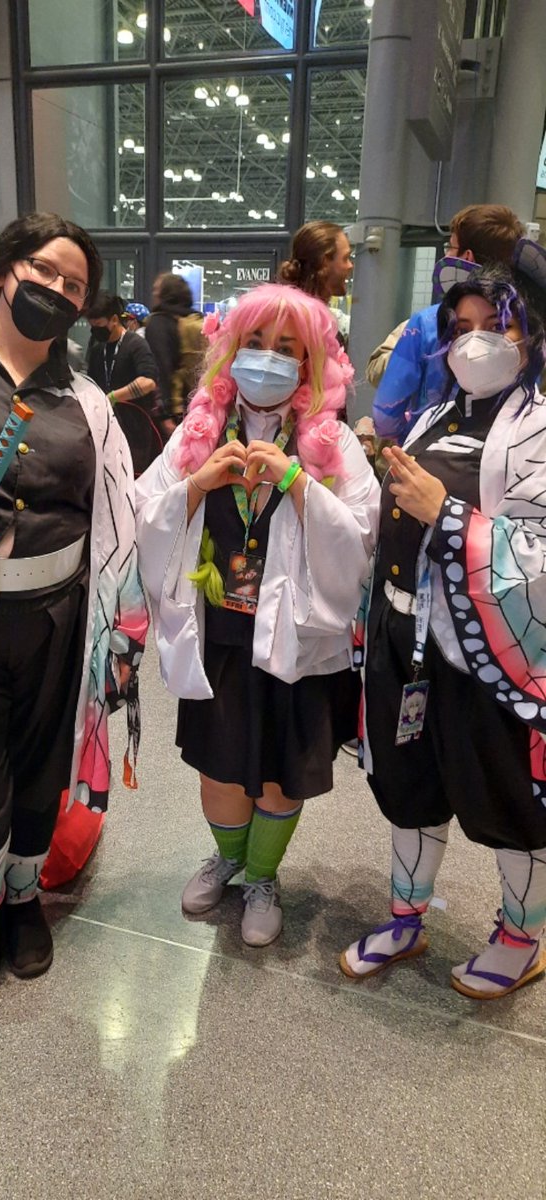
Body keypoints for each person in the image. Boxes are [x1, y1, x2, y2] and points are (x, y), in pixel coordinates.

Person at [136, 283, 379, 946]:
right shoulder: (199, 435)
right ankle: (229, 858)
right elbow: (144, 514)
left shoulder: (332, 443)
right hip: (219, 636)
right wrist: (196, 485)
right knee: (219, 768)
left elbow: (362, 538)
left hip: (297, 643)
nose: (268, 358)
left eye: (286, 348)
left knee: (277, 774)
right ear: (231, 349)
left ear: (309, 362)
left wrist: (298, 484)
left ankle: (264, 877)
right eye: (255, 343)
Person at [0, 212, 149, 984]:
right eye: (43, 271)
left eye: (74, 283)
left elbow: (122, 511)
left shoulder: (88, 401)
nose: (56, 289)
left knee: (41, 770)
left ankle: (24, 898)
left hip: (58, 617)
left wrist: (123, 632)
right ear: (4, 270)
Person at [340, 252, 546, 999]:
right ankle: (406, 917)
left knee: (505, 796)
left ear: (531, 335)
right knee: (409, 785)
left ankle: (521, 938)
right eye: (462, 327)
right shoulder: (435, 414)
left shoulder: (539, 429)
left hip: (487, 654)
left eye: (496, 326)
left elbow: (541, 555)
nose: (476, 341)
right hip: (404, 637)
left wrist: (449, 516)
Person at [367, 204, 523, 439]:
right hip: (504, 449)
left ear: (467, 256)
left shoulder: (428, 322)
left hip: (428, 448)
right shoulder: (526, 326)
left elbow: (386, 411)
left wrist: (407, 435)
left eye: (450, 247)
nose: (446, 254)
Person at [84, 291, 162, 476]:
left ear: (114, 320)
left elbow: (148, 382)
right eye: (92, 326)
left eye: (98, 325)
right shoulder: (98, 349)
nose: (95, 330)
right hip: (105, 430)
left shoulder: (136, 345)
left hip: (135, 431)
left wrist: (112, 397)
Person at [143, 273, 207, 425]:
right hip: (201, 404)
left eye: (156, 290)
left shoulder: (157, 323)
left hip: (175, 409)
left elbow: (161, 369)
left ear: (165, 294)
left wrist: (165, 415)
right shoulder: (198, 319)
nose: (153, 294)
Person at [278, 221, 353, 304]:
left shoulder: (291, 306)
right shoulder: (303, 310)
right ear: (324, 262)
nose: (350, 266)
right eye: (345, 258)